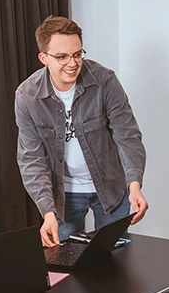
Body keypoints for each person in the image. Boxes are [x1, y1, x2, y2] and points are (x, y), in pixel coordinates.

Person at [15, 15, 148, 247]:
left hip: (110, 188)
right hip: (63, 195)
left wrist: (134, 185)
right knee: (66, 265)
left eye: (77, 54)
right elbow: (31, 159)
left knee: (116, 265)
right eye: (62, 56)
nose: (73, 63)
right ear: (43, 58)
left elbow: (127, 136)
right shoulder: (27, 96)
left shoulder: (104, 81)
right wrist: (47, 211)